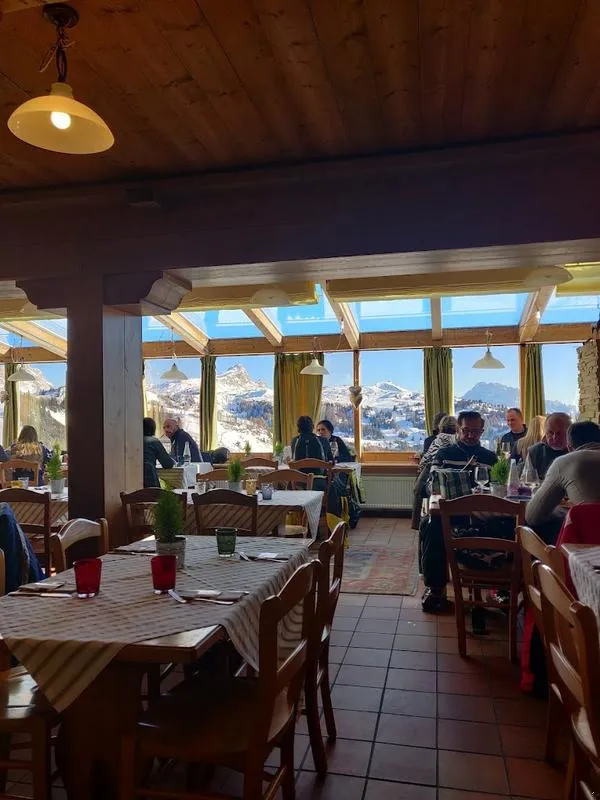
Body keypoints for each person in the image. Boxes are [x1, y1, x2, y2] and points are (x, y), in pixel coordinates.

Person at [420, 411, 498, 612]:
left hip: (483, 516)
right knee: (432, 526)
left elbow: (499, 487)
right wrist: (440, 489)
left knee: (507, 527)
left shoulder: (491, 458)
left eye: (475, 431)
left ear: (482, 431)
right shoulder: (444, 454)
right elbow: (429, 487)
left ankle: (499, 587)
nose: (471, 435)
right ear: (458, 430)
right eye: (466, 431)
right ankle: (436, 590)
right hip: (452, 515)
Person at [526, 421, 600, 539]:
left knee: (531, 528)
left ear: (569, 447)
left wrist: (565, 512)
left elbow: (532, 516)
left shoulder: (565, 461)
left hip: (590, 541)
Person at [411, 416, 458, 531]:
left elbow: (424, 461)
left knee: (423, 495)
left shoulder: (436, 440)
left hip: (430, 478)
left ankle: (421, 524)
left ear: (440, 427)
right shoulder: (456, 441)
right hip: (449, 480)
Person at [526, 412, 570, 479]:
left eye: (559, 433)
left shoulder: (577, 451)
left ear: (569, 432)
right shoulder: (535, 452)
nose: (555, 437)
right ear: (545, 432)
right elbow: (527, 480)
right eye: (550, 432)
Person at [143, 417, 175, 488]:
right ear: (153, 429)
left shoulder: (133, 440)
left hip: (131, 479)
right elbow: (168, 464)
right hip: (150, 481)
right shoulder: (153, 441)